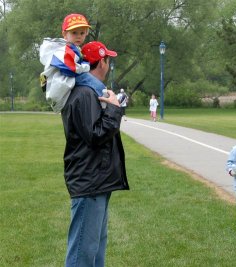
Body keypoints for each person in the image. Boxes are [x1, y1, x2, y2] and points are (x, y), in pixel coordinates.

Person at [61, 41, 130, 266]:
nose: (108, 65)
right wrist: (114, 110)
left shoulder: (90, 91)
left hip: (97, 180)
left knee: (95, 250)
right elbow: (96, 135)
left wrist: (111, 108)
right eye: (108, 60)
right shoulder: (84, 94)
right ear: (102, 62)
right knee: (82, 253)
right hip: (89, 181)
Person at [39, 13, 91, 112]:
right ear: (65, 34)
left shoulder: (75, 48)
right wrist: (86, 66)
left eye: (82, 33)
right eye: (74, 33)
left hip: (63, 84)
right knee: (92, 82)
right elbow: (71, 69)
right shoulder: (64, 50)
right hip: (59, 83)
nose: (78, 36)